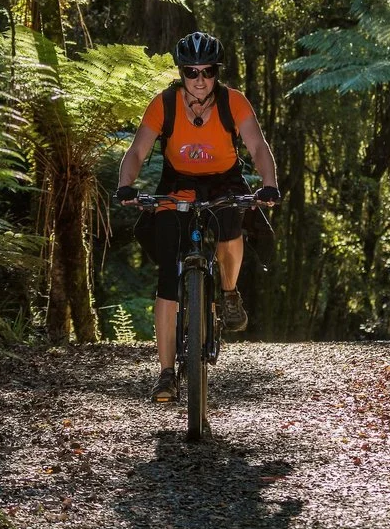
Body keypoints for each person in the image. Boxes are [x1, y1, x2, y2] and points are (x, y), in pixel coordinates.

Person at [116, 31, 279, 402]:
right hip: (178, 184)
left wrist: (269, 184)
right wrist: (126, 185)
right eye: (192, 72)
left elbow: (257, 146)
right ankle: (166, 374)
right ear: (182, 72)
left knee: (232, 224)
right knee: (167, 277)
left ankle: (229, 293)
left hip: (224, 181)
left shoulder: (233, 102)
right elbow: (137, 150)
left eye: (208, 71)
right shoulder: (164, 104)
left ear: (217, 72)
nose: (200, 79)